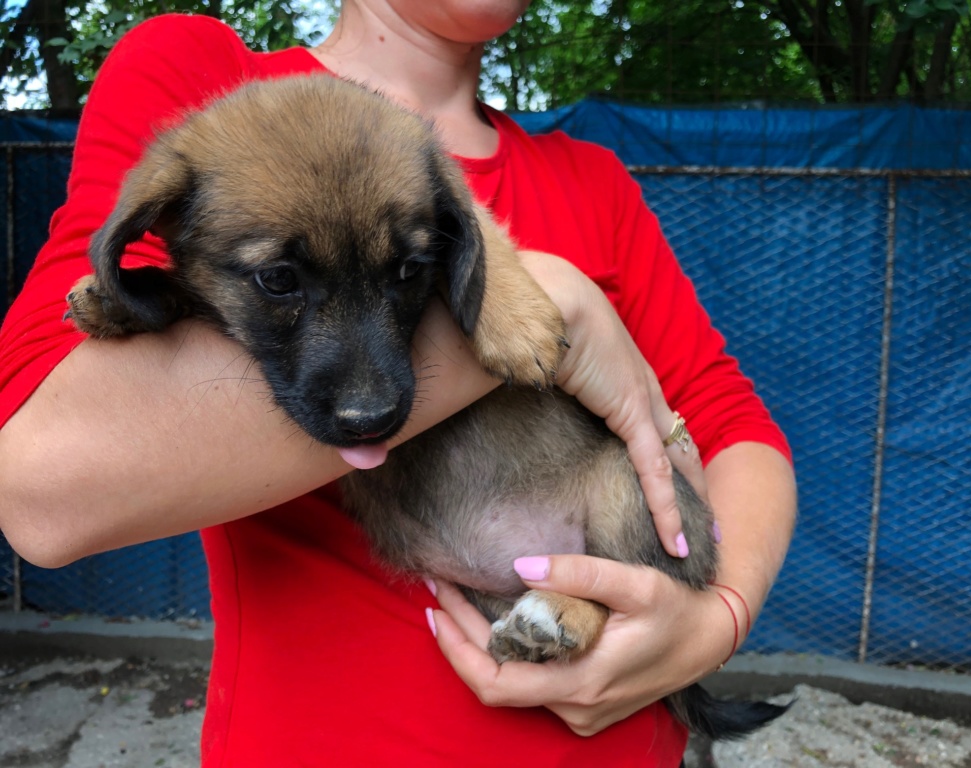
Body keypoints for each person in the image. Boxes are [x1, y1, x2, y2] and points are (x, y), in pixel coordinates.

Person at [0, 1, 797, 765]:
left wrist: (715, 624)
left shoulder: (594, 179)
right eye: (280, 281)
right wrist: (561, 300)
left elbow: (733, 426)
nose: (369, 402)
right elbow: (42, 493)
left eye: (410, 271)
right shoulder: (207, 85)